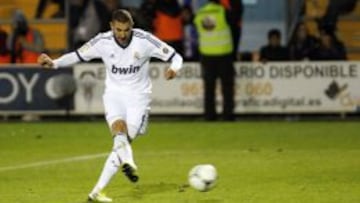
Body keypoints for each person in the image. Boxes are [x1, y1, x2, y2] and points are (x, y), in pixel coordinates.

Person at [37, 9, 183, 202]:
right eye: (119, 30)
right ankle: (129, 163)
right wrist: (54, 63)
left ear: (132, 27)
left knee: (121, 144)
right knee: (118, 132)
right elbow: (77, 55)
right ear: (111, 27)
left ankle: (96, 192)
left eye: (126, 30)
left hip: (138, 98)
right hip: (114, 94)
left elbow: (176, 57)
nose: (122, 34)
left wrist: (174, 69)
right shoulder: (102, 42)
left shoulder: (145, 40)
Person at [194, 0, 235, 121]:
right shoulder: (224, 11)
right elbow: (234, 23)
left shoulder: (200, 13)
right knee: (227, 88)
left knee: (209, 88)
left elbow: (196, 27)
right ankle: (228, 115)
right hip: (224, 54)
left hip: (206, 55)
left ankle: (209, 116)